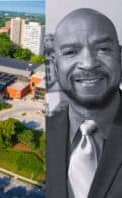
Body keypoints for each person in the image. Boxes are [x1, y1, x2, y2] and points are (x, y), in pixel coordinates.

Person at [46, 8, 122, 198]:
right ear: (55, 66)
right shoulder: (47, 132)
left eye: (103, 49)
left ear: (120, 57)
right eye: (71, 52)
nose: (88, 63)